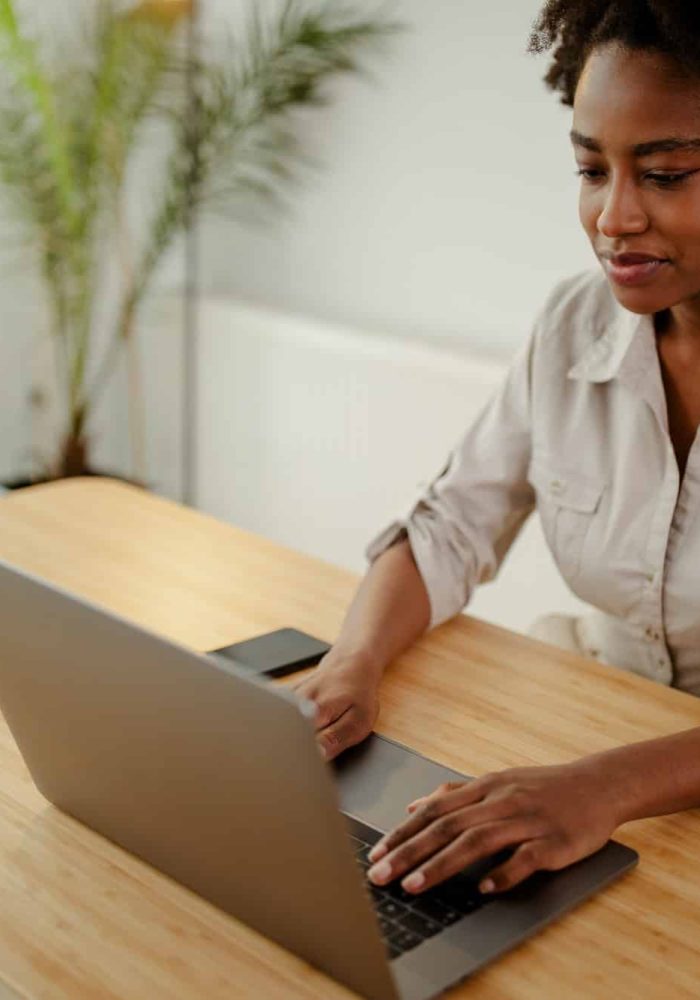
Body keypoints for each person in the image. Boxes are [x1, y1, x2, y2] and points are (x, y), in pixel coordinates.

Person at [293, 0, 700, 900]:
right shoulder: (574, 325)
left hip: (628, 788)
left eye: (667, 174)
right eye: (591, 169)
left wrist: (605, 787)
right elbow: (450, 525)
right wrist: (353, 662)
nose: (613, 217)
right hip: (605, 736)